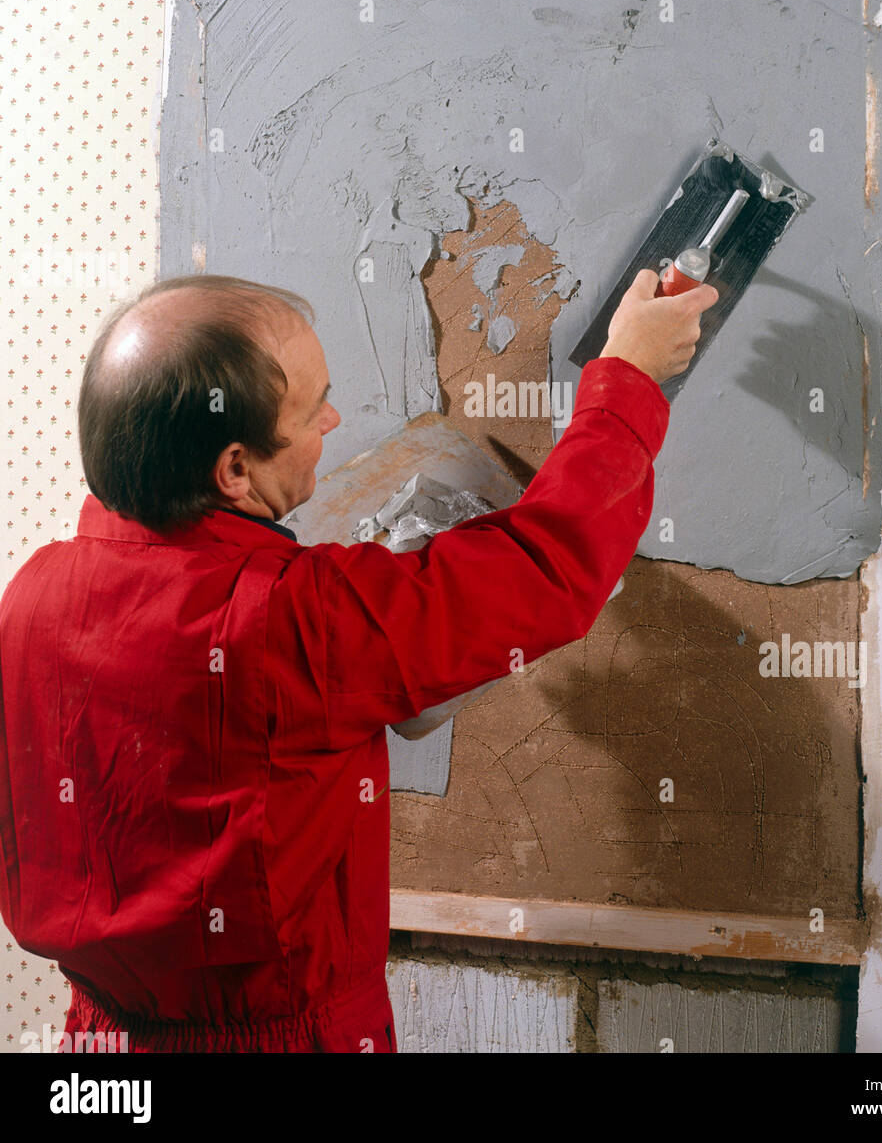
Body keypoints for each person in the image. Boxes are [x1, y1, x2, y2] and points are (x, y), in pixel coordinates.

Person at [0, 268, 717, 1053]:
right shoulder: (294, 618)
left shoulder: (29, 596)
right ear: (234, 470)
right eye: (313, 411)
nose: (335, 420)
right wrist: (630, 379)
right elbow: (544, 572)